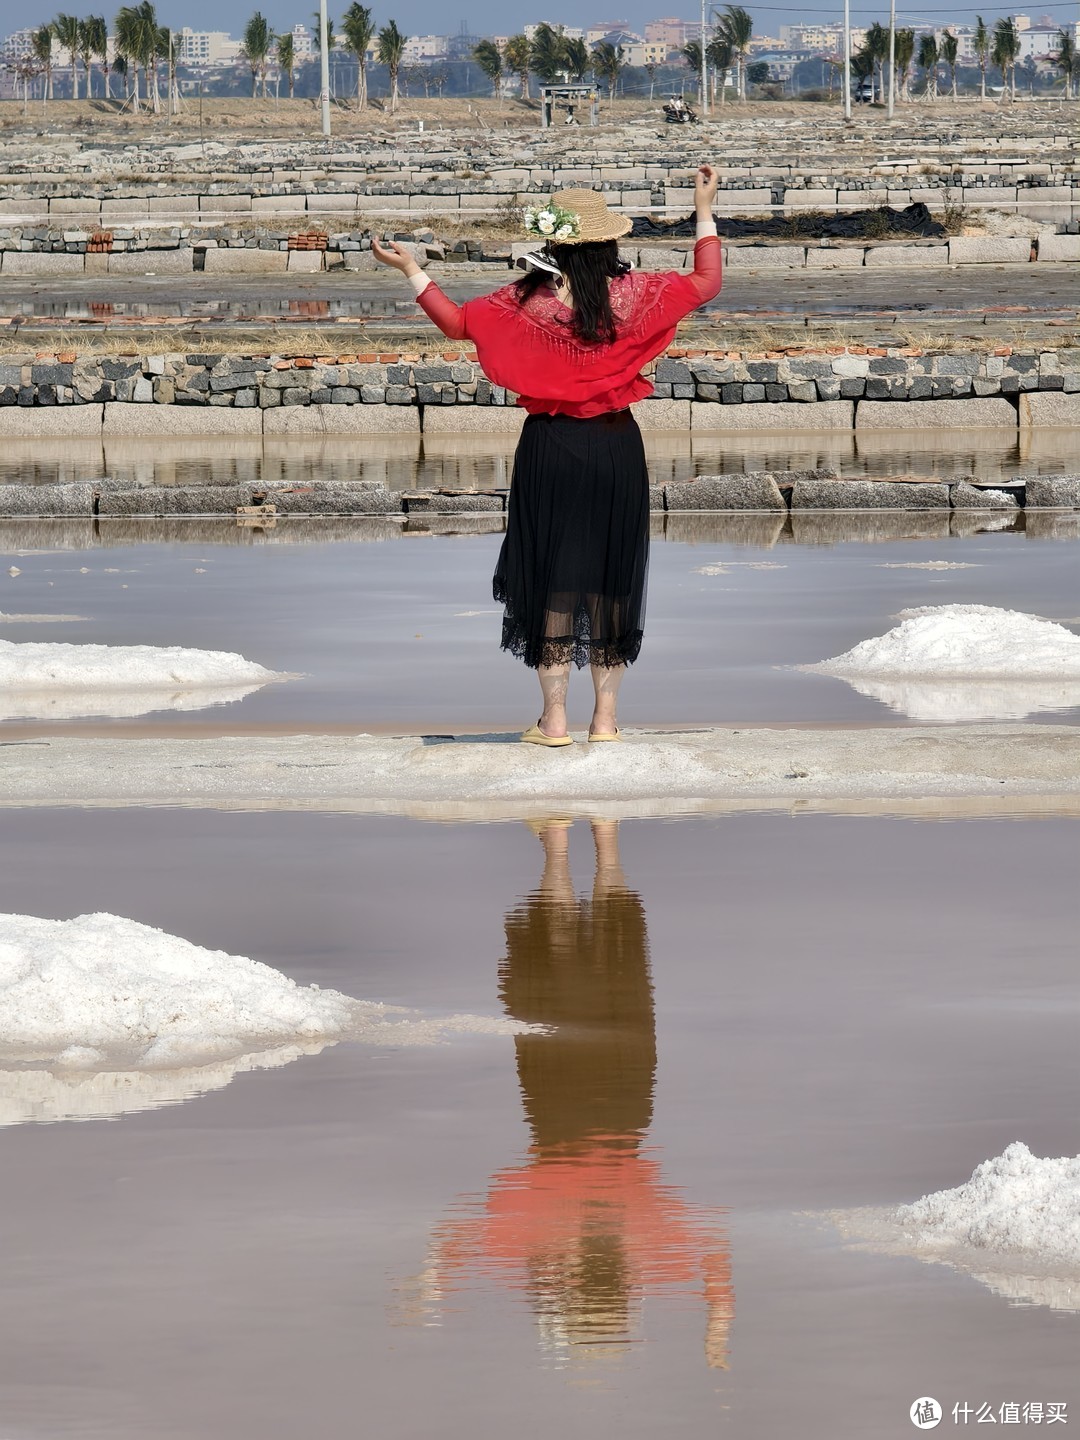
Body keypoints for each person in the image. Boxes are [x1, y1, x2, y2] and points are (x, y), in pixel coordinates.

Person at [373, 167, 721, 746]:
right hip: (615, 447)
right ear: (609, 244)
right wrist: (702, 207)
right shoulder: (637, 295)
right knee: (612, 578)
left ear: (551, 246)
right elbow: (707, 281)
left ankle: (554, 720)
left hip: (550, 447)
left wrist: (413, 268)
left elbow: (458, 324)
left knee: (553, 578)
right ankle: (605, 722)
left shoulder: (523, 301)